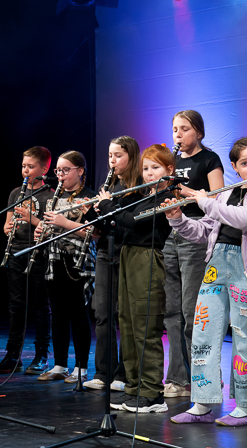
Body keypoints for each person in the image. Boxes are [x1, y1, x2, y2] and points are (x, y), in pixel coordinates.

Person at [167, 137, 247, 427]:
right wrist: (178, 219)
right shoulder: (226, 194)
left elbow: (245, 218)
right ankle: (202, 403)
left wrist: (203, 201)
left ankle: (244, 409)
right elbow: (203, 232)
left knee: (245, 337)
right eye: (244, 163)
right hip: (216, 264)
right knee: (203, 334)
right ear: (234, 166)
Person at [97, 144, 177, 413]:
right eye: (145, 168)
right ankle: (134, 388)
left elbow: (133, 221)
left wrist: (109, 205)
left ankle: (152, 394)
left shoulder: (166, 198)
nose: (149, 173)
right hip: (128, 256)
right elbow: (118, 223)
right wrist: (101, 211)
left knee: (145, 327)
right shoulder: (142, 196)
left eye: (155, 168)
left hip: (147, 259)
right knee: (128, 325)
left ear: (169, 170)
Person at [163, 110, 225, 399]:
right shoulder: (171, 162)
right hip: (169, 234)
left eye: (185, 129)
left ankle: (205, 377)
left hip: (196, 233)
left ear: (199, 132)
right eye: (175, 129)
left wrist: (184, 191)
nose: (178, 134)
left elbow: (220, 197)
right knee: (172, 313)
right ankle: (178, 378)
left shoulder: (209, 159)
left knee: (192, 312)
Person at [82, 136, 142, 392]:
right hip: (106, 251)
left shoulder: (139, 185)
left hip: (127, 251)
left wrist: (108, 205)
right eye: (110, 156)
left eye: (118, 155)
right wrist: (91, 212)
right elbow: (98, 226)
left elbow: (130, 221)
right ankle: (103, 371)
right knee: (102, 312)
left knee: (124, 315)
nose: (112, 161)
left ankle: (124, 374)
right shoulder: (109, 185)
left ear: (131, 156)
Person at [34, 151, 95, 384]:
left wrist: (64, 222)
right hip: (54, 259)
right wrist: (41, 231)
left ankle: (81, 367)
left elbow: (94, 233)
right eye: (58, 171)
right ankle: (60, 364)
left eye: (65, 170)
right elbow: (50, 227)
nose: (60, 175)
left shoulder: (90, 196)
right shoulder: (53, 197)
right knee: (58, 314)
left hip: (78, 261)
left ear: (80, 171)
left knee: (79, 314)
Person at [0, 146, 54, 375]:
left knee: (40, 306)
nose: (25, 171)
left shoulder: (50, 195)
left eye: (30, 166)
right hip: (16, 252)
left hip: (39, 254)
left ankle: (41, 355)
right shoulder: (16, 193)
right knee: (16, 306)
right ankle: (13, 355)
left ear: (44, 169)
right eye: (23, 166)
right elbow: (6, 224)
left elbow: (51, 228)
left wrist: (31, 218)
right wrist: (7, 228)